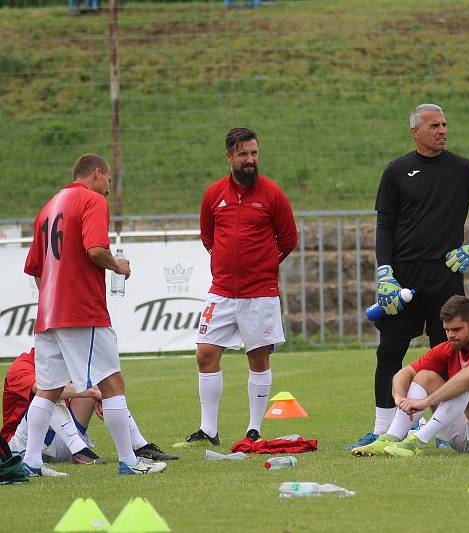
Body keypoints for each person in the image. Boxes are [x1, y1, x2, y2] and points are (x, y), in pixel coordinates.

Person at [346, 103, 469, 450]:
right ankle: (381, 429)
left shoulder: (462, 169)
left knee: (446, 353)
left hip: (445, 277)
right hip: (402, 280)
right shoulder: (397, 171)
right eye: (434, 125)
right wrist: (384, 271)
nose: (442, 130)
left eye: (444, 124)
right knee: (389, 352)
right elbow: (385, 225)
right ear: (415, 131)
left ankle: (438, 432)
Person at [22, 153, 167, 476]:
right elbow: (96, 250)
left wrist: (54, 295)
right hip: (81, 312)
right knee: (113, 383)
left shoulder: (49, 206)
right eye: (108, 183)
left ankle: (30, 461)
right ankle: (129, 461)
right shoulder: (92, 200)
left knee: (48, 389)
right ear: (98, 174)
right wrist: (119, 267)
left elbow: (34, 268)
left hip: (47, 315)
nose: (107, 191)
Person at [175, 128, 297, 448]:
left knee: (257, 357)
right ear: (229, 156)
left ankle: (254, 428)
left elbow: (288, 240)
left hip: (261, 293)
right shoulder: (214, 194)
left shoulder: (273, 194)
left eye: (254, 153)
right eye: (243, 154)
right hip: (222, 291)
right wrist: (226, 263)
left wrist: (266, 264)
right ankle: (208, 429)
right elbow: (208, 237)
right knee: (205, 354)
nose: (250, 160)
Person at [351, 295, 469, 457]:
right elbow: (405, 373)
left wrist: (425, 402)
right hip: (466, 438)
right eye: (447, 330)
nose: (451, 335)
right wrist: (399, 399)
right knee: (425, 376)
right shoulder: (449, 347)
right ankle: (391, 438)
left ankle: (417, 441)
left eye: (457, 329)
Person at [2, 348, 177, 469]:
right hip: (21, 447)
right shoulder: (21, 365)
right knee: (51, 394)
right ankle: (80, 451)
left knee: (99, 384)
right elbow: (44, 391)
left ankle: (140, 446)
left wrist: (100, 394)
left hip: (60, 444)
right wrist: (95, 393)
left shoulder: (67, 363)